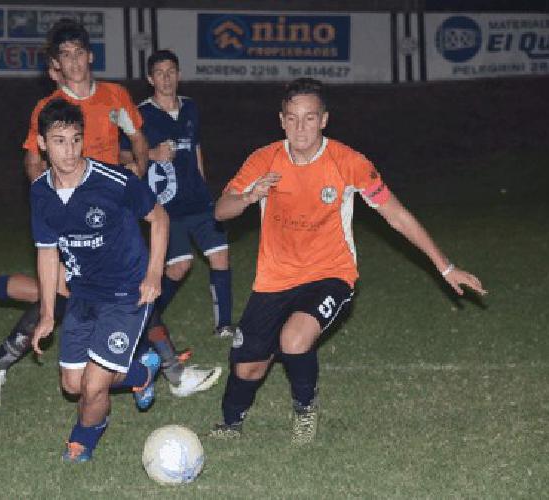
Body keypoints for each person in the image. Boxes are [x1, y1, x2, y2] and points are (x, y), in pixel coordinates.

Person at [0, 18, 219, 407]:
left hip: (115, 215)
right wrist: (48, 203)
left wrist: (138, 171)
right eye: (63, 57)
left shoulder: (115, 97)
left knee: (106, 293)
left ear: (89, 56)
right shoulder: (50, 108)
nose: (72, 63)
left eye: (78, 54)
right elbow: (34, 162)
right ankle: (168, 371)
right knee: (70, 294)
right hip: (75, 221)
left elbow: (137, 139)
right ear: (57, 63)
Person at [208, 78, 488, 445]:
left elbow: (397, 215)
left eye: (309, 119)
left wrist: (445, 266)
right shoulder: (263, 160)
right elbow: (221, 209)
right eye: (292, 119)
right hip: (274, 279)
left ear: (324, 120)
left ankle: (305, 407)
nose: (300, 128)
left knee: (294, 338)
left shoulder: (349, 162)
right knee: (248, 366)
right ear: (281, 120)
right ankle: (230, 425)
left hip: (331, 274)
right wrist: (249, 196)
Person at [27, 98, 167, 462]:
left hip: (127, 293)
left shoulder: (113, 180)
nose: (70, 151)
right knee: (73, 385)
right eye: (59, 141)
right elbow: (47, 251)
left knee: (93, 386)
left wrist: (153, 275)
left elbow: (160, 219)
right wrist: (46, 313)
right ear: (42, 143)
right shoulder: (40, 192)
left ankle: (81, 441)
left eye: (75, 140)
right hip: (83, 296)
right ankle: (139, 371)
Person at [118, 50, 240, 346]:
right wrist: (151, 154)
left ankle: (224, 325)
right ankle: (148, 317)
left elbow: (196, 148)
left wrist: (203, 184)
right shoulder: (140, 113)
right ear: (150, 79)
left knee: (220, 257)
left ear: (179, 74)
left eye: (171, 71)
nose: (166, 77)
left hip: (199, 201)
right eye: (159, 72)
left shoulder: (190, 108)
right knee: (179, 267)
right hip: (166, 206)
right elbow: (122, 155)